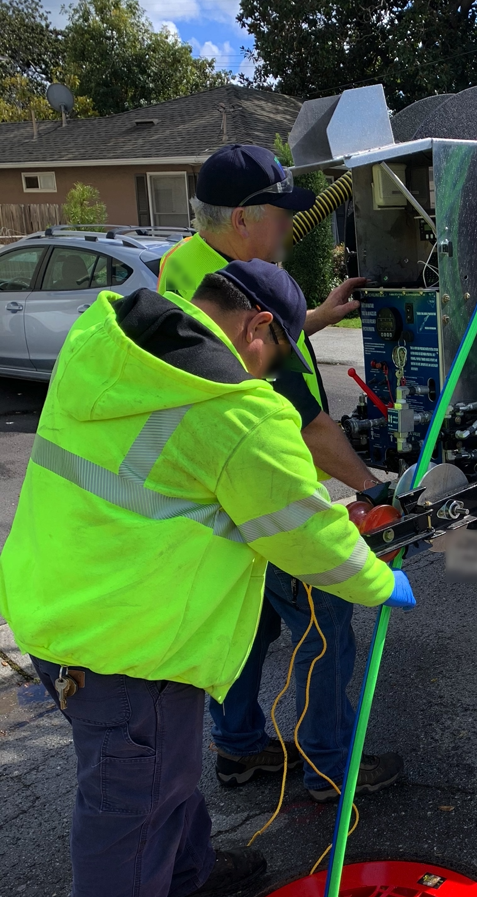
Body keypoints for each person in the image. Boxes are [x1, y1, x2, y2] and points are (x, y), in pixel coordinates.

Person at [0, 260, 417, 897]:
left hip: (59, 599)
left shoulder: (107, 340)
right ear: (258, 327)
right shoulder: (234, 414)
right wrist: (380, 580)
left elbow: (163, 485)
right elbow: (306, 538)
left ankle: (184, 873)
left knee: (161, 770)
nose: (267, 374)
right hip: (124, 639)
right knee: (129, 796)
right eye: (277, 355)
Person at [158, 143, 400, 802]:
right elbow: (310, 428)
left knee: (252, 623)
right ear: (242, 219)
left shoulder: (188, 267)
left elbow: (259, 334)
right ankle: (328, 765)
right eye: (279, 214)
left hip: (213, 504)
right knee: (326, 623)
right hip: (256, 493)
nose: (288, 228)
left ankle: (237, 751)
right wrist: (377, 490)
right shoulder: (228, 297)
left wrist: (316, 314)